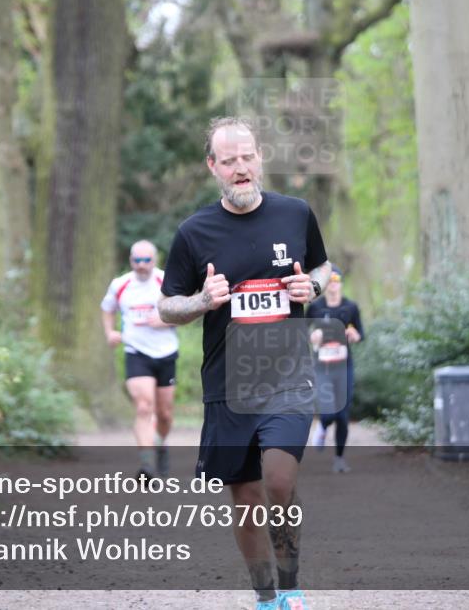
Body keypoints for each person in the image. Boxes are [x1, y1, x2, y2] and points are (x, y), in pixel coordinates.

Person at [159, 117, 331, 610]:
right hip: (228, 385)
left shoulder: (295, 214)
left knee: (278, 479)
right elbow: (167, 307)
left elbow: (323, 265)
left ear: (260, 159)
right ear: (212, 166)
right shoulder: (194, 233)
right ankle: (265, 596)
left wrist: (313, 286)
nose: (240, 167)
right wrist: (202, 300)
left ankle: (291, 586)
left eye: (247, 157)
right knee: (247, 499)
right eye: (229, 160)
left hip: (288, 379)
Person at [101, 240, 179, 481]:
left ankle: (160, 444)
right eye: (137, 260)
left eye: (147, 260)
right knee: (144, 406)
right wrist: (110, 332)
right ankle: (147, 465)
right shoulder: (120, 284)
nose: (142, 265)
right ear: (131, 261)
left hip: (165, 352)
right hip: (136, 352)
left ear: (155, 260)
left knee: (165, 414)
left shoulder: (166, 281)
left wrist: (165, 320)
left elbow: (184, 310)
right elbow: (107, 308)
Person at [307, 267, 364, 473]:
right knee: (329, 412)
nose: (333, 285)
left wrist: (355, 335)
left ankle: (339, 458)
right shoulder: (315, 307)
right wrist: (312, 337)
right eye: (329, 281)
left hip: (344, 367)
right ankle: (323, 426)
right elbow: (300, 330)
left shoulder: (350, 307)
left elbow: (360, 333)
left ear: (341, 283)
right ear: (324, 285)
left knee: (342, 415)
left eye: (336, 280)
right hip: (322, 367)